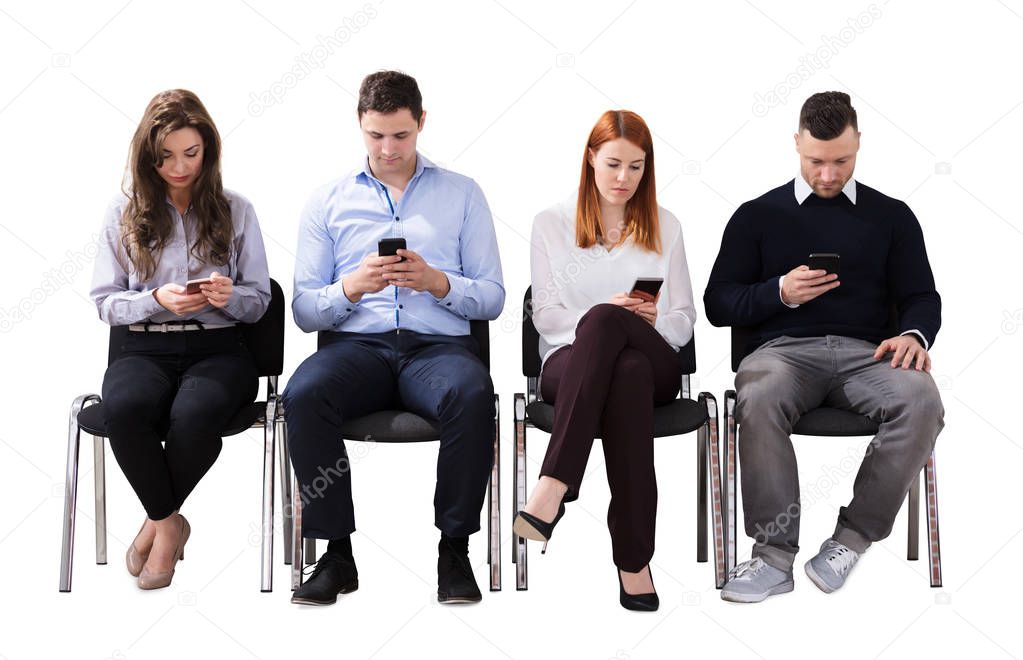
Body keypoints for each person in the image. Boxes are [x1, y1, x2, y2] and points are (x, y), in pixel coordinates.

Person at [704, 91, 944, 603]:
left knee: (923, 399)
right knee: (761, 394)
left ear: (858, 145)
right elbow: (718, 303)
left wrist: (912, 335)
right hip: (782, 355)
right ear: (796, 144)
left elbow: (922, 296)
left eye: (842, 161)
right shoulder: (756, 216)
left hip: (869, 357)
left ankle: (850, 540)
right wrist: (778, 293)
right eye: (816, 161)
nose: (829, 175)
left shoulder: (892, 217)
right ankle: (771, 557)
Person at [283, 70, 505, 606]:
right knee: (304, 394)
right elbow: (305, 310)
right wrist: (352, 287)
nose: (388, 149)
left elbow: (494, 297)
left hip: (439, 350)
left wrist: (437, 282)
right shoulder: (327, 201)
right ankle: (336, 554)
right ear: (360, 126)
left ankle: (454, 548)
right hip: (357, 349)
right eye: (376, 135)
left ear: (421, 123)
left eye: (401, 136)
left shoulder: (463, 194)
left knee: (472, 394)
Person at [512, 110, 697, 612]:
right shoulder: (550, 222)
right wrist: (603, 320)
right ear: (590, 157)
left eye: (636, 167)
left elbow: (684, 321)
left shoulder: (667, 224)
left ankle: (552, 487)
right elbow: (546, 317)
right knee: (621, 361)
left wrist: (647, 321)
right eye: (614, 163)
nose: (623, 179)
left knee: (622, 340)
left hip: (656, 356)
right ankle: (635, 562)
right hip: (570, 364)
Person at [90, 89, 271, 590]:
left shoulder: (238, 210)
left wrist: (226, 296)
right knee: (124, 409)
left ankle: (156, 523)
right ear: (148, 155)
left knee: (194, 416)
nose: (179, 166)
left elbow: (260, 301)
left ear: (208, 151)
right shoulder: (122, 211)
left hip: (219, 349)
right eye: (166, 155)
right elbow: (104, 302)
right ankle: (170, 522)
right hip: (142, 346)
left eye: (191, 153)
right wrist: (155, 300)